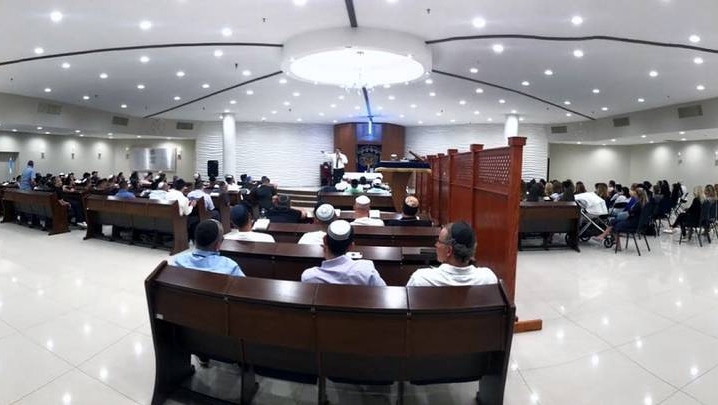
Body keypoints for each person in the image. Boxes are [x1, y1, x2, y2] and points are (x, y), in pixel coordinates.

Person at [406, 221, 498, 286]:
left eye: (439, 241)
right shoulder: (488, 278)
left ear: (449, 251)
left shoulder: (421, 279)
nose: (436, 245)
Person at [301, 220, 386, 286]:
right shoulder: (367, 270)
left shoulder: (308, 277)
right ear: (351, 246)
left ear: (324, 241)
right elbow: (383, 293)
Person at [174, 219, 243, 275]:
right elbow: (246, 288)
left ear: (196, 240)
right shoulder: (230, 267)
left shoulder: (178, 262)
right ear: (218, 245)